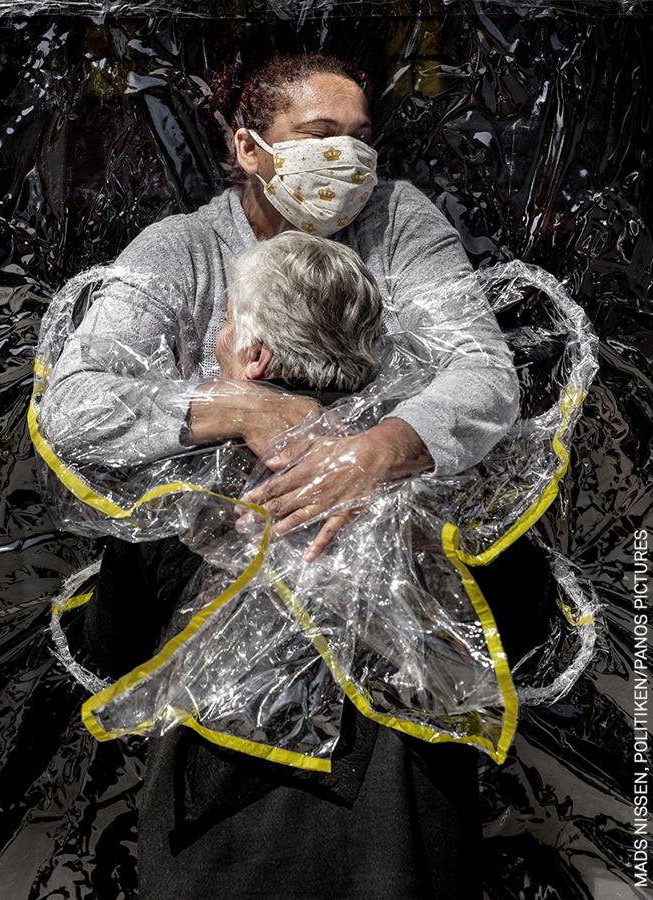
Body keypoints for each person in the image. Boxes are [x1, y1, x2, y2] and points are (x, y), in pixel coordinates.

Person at [40, 50, 526, 899]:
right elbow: (77, 405)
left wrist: (372, 451)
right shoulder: (183, 250)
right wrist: (237, 409)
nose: (347, 160)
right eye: (317, 135)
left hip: (321, 754)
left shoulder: (396, 219)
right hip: (260, 692)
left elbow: (482, 373)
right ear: (248, 148)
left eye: (360, 138)